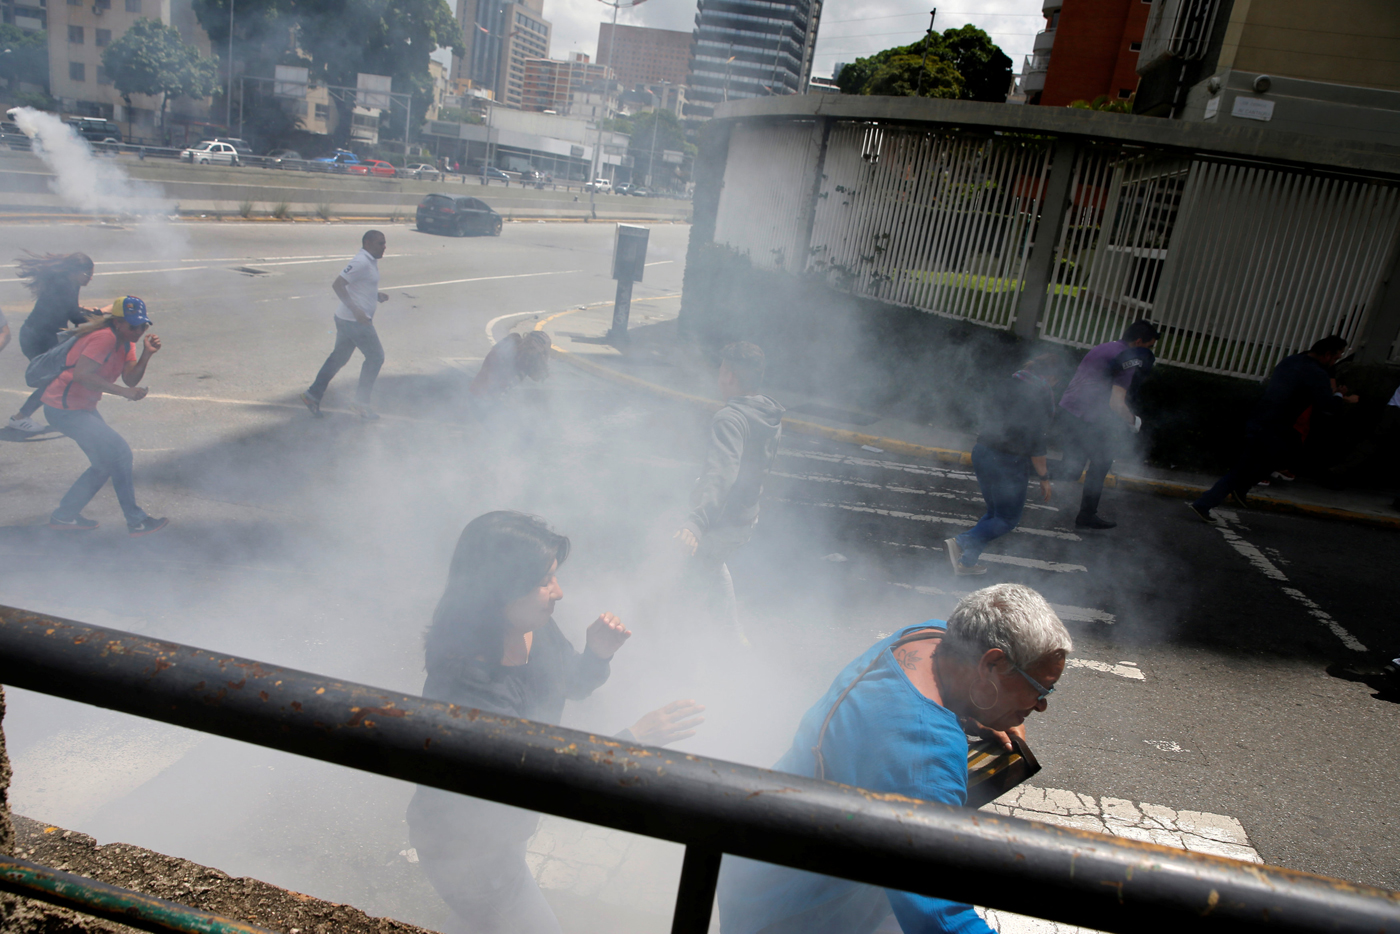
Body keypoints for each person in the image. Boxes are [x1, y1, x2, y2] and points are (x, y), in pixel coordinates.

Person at [406, 511, 704, 934]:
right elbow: (540, 774)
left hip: (504, 832)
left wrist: (597, 654)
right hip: (465, 851)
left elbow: (567, 684)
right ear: (500, 590)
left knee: (482, 924)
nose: (559, 593)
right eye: (545, 581)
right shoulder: (470, 684)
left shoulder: (531, 628)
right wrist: (633, 741)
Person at [717, 583, 1071, 934]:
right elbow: (940, 918)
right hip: (799, 909)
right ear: (992, 662)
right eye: (1041, 689)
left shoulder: (926, 637)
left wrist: (971, 712)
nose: (1041, 705)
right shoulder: (924, 755)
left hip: (760, 855)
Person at [674, 342, 785, 638]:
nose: (719, 377)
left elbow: (722, 473)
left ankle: (679, 643)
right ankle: (733, 640)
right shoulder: (767, 412)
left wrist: (697, 522)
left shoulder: (730, 419)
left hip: (723, 522)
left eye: (722, 370)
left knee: (683, 574)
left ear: (729, 376)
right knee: (711, 566)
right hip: (746, 518)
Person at [1190, 336, 1358, 522]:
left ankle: (1241, 487)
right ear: (1327, 354)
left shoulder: (1291, 360)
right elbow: (1328, 406)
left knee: (1282, 456)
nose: (1334, 362)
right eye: (1336, 358)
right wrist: (1340, 396)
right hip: (1275, 426)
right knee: (1246, 468)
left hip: (1264, 419)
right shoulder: (1316, 373)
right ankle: (1204, 503)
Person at [41, 297, 167, 536]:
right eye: (133, 326)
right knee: (119, 453)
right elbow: (82, 375)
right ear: (118, 323)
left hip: (80, 407)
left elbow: (130, 378)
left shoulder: (126, 340)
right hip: (64, 408)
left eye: (143, 326)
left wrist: (146, 355)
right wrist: (123, 392)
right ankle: (136, 521)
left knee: (103, 464)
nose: (139, 331)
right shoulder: (104, 338)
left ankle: (64, 516)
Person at [947, 353, 1065, 576]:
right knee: (1007, 518)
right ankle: (961, 543)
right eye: (1056, 381)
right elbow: (1036, 440)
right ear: (1051, 377)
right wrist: (1044, 477)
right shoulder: (1040, 395)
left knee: (995, 513)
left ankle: (966, 563)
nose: (1055, 386)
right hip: (1007, 459)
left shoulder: (1009, 382)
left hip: (982, 451)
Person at [1053, 320, 1159, 529]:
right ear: (1138, 342)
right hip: (1088, 417)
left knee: (1071, 469)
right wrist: (1133, 421)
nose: (1147, 352)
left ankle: (1012, 467)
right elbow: (1116, 403)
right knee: (1099, 464)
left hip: (1071, 409)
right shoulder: (1128, 359)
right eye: (1148, 346)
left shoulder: (1106, 346)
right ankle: (1086, 515)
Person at [8, 252, 101, 432]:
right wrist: (102, 318)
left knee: (58, 377)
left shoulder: (70, 283)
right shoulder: (63, 286)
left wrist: (92, 313)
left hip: (45, 337)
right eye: (87, 274)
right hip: (37, 338)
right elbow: (76, 317)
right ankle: (20, 418)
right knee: (52, 380)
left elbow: (71, 309)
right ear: (75, 272)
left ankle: (79, 412)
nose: (89, 278)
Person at [301, 230, 388, 420]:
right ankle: (360, 403)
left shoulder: (369, 261)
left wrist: (375, 296)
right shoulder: (361, 261)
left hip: (347, 319)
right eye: (380, 243)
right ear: (367, 243)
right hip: (354, 321)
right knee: (376, 357)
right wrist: (356, 310)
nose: (384, 247)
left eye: (384, 243)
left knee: (338, 358)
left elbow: (360, 287)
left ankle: (312, 395)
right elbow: (338, 285)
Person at [468, 330, 551, 415]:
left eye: (536, 351)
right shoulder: (510, 349)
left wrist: (545, 354)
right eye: (531, 346)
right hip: (481, 400)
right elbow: (493, 383)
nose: (532, 351)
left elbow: (538, 377)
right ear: (526, 342)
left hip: (492, 401)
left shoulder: (528, 358)